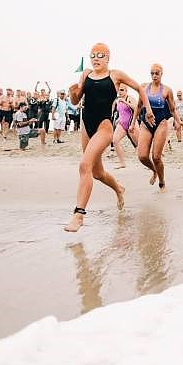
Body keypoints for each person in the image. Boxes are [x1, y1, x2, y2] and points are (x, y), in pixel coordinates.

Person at [65, 43, 153, 233]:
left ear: (108, 58)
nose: (96, 58)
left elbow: (140, 88)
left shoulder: (116, 75)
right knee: (97, 173)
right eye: (93, 55)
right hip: (85, 126)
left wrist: (148, 109)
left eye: (100, 55)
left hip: (104, 126)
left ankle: (79, 215)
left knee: (84, 166)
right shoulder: (85, 74)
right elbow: (76, 100)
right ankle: (119, 189)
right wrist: (73, 93)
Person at [134, 63, 180, 191]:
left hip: (161, 123)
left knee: (156, 157)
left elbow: (172, 109)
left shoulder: (167, 90)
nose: (154, 76)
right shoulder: (143, 87)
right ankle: (154, 171)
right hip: (145, 123)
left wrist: (179, 122)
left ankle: (162, 181)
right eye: (152, 73)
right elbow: (138, 106)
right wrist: (132, 124)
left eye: (157, 73)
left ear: (161, 74)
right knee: (142, 156)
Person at [111, 85, 138, 168]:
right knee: (115, 141)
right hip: (121, 124)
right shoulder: (117, 100)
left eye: (122, 90)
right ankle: (122, 163)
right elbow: (115, 111)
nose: (120, 92)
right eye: (119, 90)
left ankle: (149, 162)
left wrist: (125, 102)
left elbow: (137, 108)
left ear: (126, 91)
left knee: (139, 146)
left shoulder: (130, 98)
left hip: (131, 123)